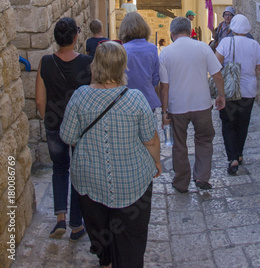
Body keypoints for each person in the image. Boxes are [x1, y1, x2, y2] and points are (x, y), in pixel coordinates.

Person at [60, 41, 161, 268]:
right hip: (132, 181)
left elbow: (68, 136)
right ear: (123, 67)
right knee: (132, 236)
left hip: (90, 180)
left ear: (95, 66)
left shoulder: (80, 96)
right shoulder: (135, 99)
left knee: (99, 229)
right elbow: (151, 139)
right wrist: (156, 161)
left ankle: (105, 259)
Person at [35, 17, 92, 241]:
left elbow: (40, 100)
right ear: (76, 36)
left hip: (55, 125)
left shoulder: (46, 62)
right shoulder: (88, 63)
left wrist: (48, 120)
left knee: (59, 168)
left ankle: (60, 217)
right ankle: (77, 225)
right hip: (80, 128)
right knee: (78, 172)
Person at [159, 16, 225, 192]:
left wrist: (164, 112)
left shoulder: (165, 53)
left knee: (179, 144)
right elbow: (217, 75)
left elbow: (164, 87)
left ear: (172, 34)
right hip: (201, 104)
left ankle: (181, 182)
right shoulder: (203, 47)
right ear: (189, 31)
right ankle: (202, 176)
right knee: (204, 140)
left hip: (177, 106)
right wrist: (221, 95)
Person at [215, 14, 260, 175]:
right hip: (248, 91)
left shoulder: (225, 42)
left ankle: (232, 159)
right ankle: (240, 154)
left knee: (228, 123)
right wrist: (249, 73)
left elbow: (216, 64)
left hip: (229, 90)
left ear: (232, 28)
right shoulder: (254, 45)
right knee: (243, 123)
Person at [118, 12, 161, 111]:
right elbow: (155, 77)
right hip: (147, 99)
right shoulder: (152, 48)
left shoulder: (122, 50)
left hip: (126, 100)